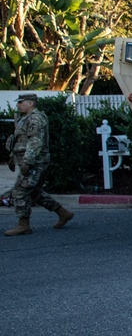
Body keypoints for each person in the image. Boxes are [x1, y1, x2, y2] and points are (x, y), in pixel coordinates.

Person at [3, 93, 74, 237]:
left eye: (21, 102)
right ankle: (63, 213)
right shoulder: (23, 119)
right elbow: (18, 141)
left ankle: (23, 225)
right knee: (33, 191)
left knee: (20, 191)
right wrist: (12, 157)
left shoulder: (36, 118)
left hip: (36, 161)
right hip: (26, 160)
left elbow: (35, 141)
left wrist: (28, 161)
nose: (18, 104)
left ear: (30, 103)